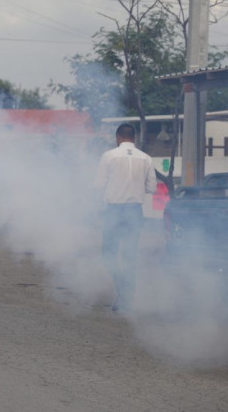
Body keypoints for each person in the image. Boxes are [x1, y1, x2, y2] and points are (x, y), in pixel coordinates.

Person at [94, 123, 156, 313]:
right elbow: (151, 188)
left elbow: (98, 185)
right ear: (133, 138)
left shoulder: (109, 156)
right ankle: (127, 297)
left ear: (118, 137)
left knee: (108, 253)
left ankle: (123, 292)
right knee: (130, 255)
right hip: (135, 212)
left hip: (114, 211)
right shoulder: (146, 158)